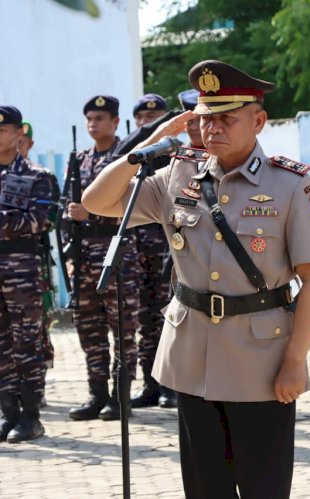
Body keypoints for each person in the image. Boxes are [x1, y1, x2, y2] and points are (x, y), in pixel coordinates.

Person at [82, 60, 310, 499]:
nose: (212, 128)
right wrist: (148, 143)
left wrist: (295, 360)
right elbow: (97, 200)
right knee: (203, 488)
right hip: (191, 354)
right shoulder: (178, 172)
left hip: (261, 359)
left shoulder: (290, 183)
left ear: (258, 121)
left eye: (226, 118)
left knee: (263, 488)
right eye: (205, 118)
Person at [66, 95, 140, 422]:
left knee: (122, 326)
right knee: (89, 326)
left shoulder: (124, 160)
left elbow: (131, 205)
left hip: (116, 251)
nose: (94, 124)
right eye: (90, 119)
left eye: (100, 118)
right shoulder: (79, 160)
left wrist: (89, 213)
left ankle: (119, 396)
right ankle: (96, 393)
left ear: (114, 121)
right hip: (84, 255)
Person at [0, 105, 57, 443]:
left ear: (19, 132)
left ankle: (31, 416)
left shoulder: (38, 175)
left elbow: (42, 220)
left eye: (3, 129)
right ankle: (8, 413)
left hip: (21, 270)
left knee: (27, 344)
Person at [126, 93, 176, 410]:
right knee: (145, 320)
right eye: (144, 119)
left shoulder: (176, 159)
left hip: (169, 252)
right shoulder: (132, 157)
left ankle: (172, 385)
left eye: (156, 118)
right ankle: (150, 384)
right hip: (137, 251)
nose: (149, 123)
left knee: (169, 318)